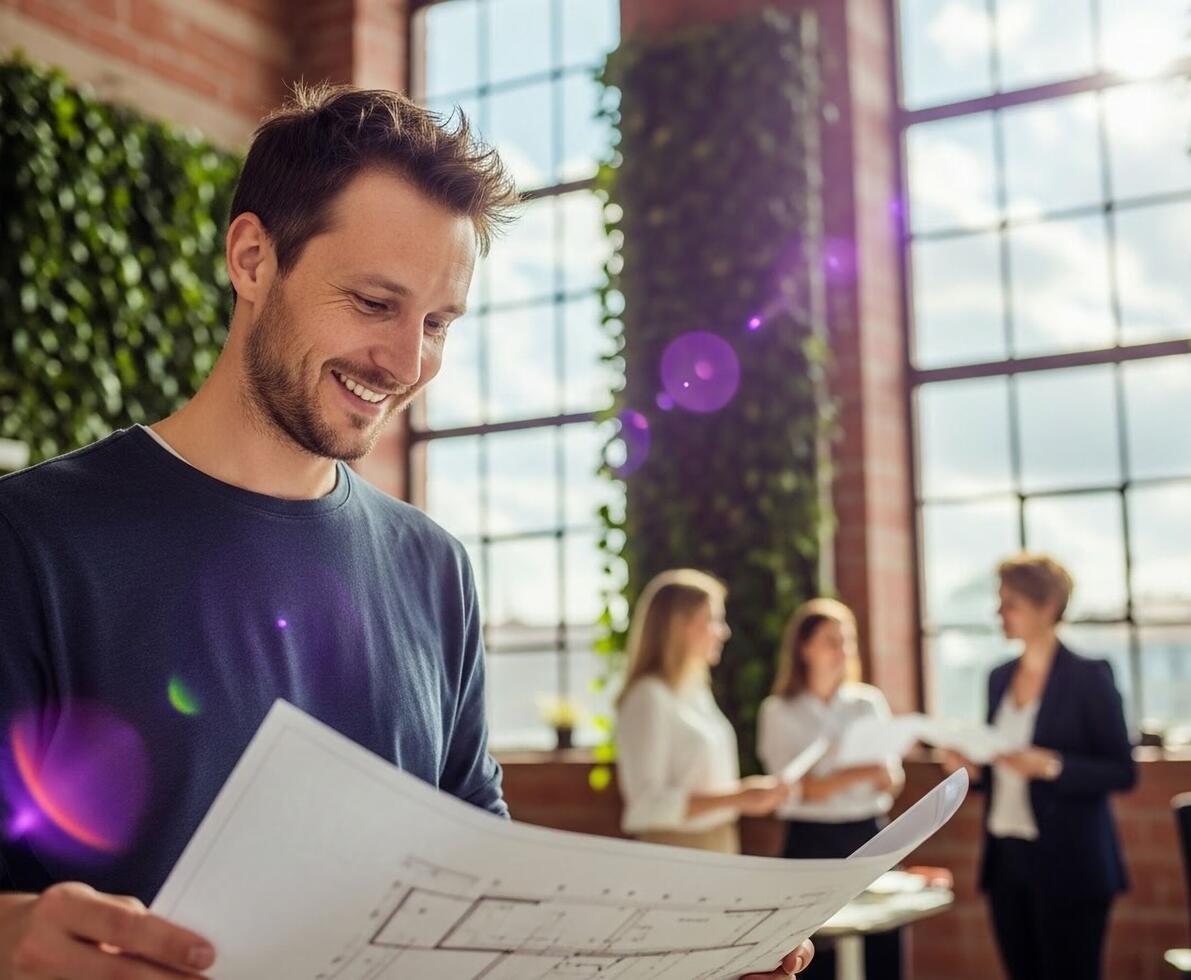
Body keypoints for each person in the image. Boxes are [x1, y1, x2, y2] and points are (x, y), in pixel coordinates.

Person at [0, 85, 813, 979]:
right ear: (251, 259)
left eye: (437, 322)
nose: (407, 362)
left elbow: (475, 905)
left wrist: (669, 962)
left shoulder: (434, 570)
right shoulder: (32, 542)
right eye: (373, 302)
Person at [942, 554, 1136, 980]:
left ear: (1047, 607)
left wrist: (1052, 766)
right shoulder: (997, 677)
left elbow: (1122, 770)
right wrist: (972, 770)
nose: (999, 613)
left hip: (1071, 862)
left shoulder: (1089, 676)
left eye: (1010, 603)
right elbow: (998, 773)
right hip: (1007, 857)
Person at [758, 597, 904, 980]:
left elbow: (892, 778)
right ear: (804, 648)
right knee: (809, 952)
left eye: (848, 641)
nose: (843, 651)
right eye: (831, 641)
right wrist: (858, 774)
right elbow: (795, 790)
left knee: (883, 945)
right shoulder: (778, 711)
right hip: (810, 842)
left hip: (869, 833)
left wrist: (834, 779)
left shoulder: (867, 703)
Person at [615, 569, 793, 854]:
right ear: (679, 625)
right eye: (713, 619)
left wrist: (746, 796)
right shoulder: (648, 697)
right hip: (676, 853)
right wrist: (737, 798)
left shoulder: (696, 692)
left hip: (719, 842)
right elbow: (645, 806)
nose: (723, 632)